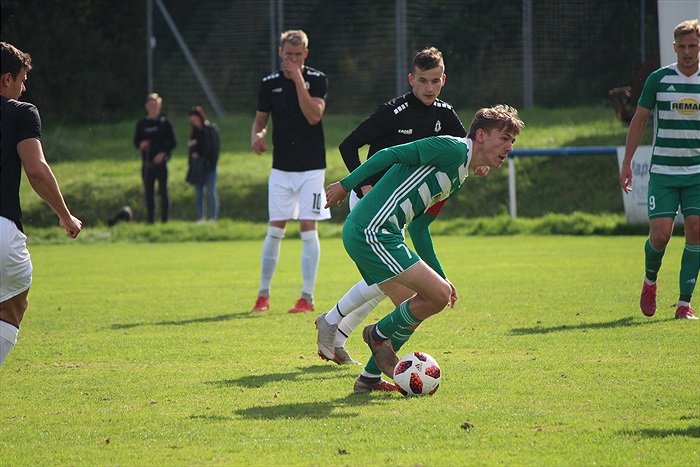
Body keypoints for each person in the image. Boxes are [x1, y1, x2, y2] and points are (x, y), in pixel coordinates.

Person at [324, 104, 524, 393]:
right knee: (435, 297)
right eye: (504, 139)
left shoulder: (459, 174)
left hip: (379, 233)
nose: (509, 147)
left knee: (414, 307)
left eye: (512, 142)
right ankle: (377, 335)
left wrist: (442, 276)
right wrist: (346, 184)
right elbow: (389, 154)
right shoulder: (452, 150)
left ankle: (367, 380)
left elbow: (419, 227)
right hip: (372, 231)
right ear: (481, 135)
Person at [315, 47, 485, 365]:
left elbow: (469, 150)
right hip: (369, 202)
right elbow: (349, 144)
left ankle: (336, 330)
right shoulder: (393, 111)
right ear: (411, 80)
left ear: (443, 80)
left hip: (398, 208)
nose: (429, 87)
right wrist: (362, 186)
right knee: (392, 280)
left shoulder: (445, 115)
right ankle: (338, 328)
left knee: (388, 280)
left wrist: (481, 165)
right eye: (423, 81)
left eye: (435, 81)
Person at [0, 42, 83, 366]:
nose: (24, 86)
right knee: (12, 304)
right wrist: (65, 216)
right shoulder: (21, 112)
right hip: (3, 229)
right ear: (7, 79)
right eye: (22, 78)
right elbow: (36, 170)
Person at [619, 19, 700, 320]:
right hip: (664, 172)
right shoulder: (659, 79)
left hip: (697, 173)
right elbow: (639, 121)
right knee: (661, 236)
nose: (688, 52)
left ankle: (684, 304)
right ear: (674, 47)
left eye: (693, 46)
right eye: (682, 47)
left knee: (696, 230)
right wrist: (627, 162)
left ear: (699, 46)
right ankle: (650, 281)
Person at [250, 29, 330, 313]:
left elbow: (313, 116)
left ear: (305, 54)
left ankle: (306, 298)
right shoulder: (268, 84)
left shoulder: (317, 80)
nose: (293, 59)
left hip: (312, 169)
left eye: (298, 55)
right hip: (281, 169)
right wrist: (257, 136)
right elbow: (260, 121)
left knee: (308, 228)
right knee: (274, 230)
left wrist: (298, 80)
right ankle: (262, 295)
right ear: (280, 53)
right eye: (288, 54)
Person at [133, 93, 176, 224]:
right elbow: (136, 141)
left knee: (163, 191)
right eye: (151, 105)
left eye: (155, 104)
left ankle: (165, 220)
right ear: (146, 106)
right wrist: (141, 144)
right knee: (149, 192)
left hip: (161, 162)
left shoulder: (165, 122)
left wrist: (163, 154)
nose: (153, 107)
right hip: (147, 163)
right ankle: (150, 220)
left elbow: (172, 142)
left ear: (160, 105)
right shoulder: (142, 123)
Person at [186, 106, 220, 223]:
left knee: (211, 192)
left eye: (195, 119)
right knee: (199, 193)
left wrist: (210, 163)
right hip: (198, 167)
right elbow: (192, 151)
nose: (194, 122)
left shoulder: (210, 130)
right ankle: (200, 217)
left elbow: (214, 149)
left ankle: (213, 217)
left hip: (209, 166)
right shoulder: (195, 132)